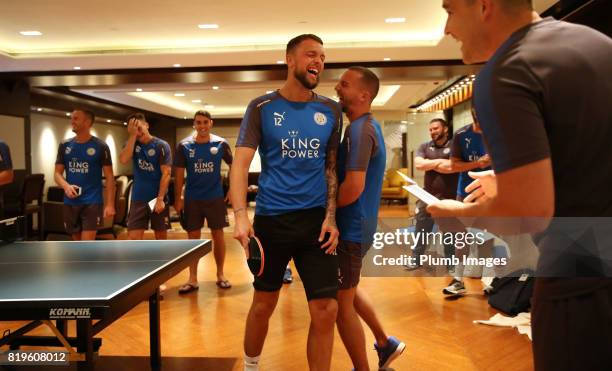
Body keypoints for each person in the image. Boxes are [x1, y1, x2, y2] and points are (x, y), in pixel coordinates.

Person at [430, 1, 612, 369]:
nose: (447, 29)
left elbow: (529, 212)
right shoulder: (596, 43)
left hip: (580, 278)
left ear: (484, 7)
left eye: (450, 11)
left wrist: (462, 213)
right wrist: (509, 179)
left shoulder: (506, 70)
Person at [230, 34, 341, 371]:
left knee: (326, 309)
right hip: (271, 221)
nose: (319, 62)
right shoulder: (261, 107)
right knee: (264, 303)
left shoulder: (330, 110)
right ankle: (251, 366)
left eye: (323, 57)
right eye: (311, 55)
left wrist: (331, 217)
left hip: (316, 222)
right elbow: (239, 164)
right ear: (289, 60)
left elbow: (331, 168)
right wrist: (239, 217)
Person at [334, 66, 405, 371]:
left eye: (344, 84)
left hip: (351, 228)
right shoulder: (363, 127)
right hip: (358, 226)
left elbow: (353, 186)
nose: (338, 86)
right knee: (348, 288)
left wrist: (325, 214)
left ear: (363, 95)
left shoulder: (361, 130)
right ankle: (385, 342)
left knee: (341, 306)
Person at [174, 110, 233, 292]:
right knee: (193, 239)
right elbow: (178, 175)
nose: (202, 126)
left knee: (218, 235)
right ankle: (192, 278)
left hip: (215, 197)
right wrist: (178, 198)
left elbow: (234, 165)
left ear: (211, 123)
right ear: (194, 124)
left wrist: (232, 188)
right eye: (198, 122)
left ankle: (221, 274)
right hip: (192, 199)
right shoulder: (184, 146)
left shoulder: (221, 143)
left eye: (205, 122)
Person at [443, 108, 491, 295]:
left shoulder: (501, 132)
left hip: (492, 193)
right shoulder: (461, 134)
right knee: (461, 237)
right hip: (466, 193)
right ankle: (458, 280)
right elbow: (454, 165)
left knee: (491, 238)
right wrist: (478, 163)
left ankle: (490, 282)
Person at [405, 118, 458, 271]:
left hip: (449, 198)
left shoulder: (455, 146)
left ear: (445, 129)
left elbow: (453, 167)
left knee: (449, 232)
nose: (433, 132)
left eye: (435, 128)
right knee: (421, 230)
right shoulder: (425, 146)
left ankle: (451, 264)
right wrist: (440, 163)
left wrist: (432, 163)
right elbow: (419, 164)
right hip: (427, 196)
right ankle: (415, 260)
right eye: (431, 130)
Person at [54, 109, 115, 241]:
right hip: (70, 202)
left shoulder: (101, 146)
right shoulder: (64, 145)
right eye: (72, 118)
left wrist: (110, 204)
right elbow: (57, 173)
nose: (72, 121)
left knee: (86, 246)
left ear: (87, 122)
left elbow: (110, 176)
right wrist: (66, 186)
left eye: (76, 118)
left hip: (92, 202)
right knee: (77, 245)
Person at [119, 113, 172, 240]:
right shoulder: (131, 143)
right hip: (138, 199)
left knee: (160, 237)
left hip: (157, 198)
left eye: (139, 127)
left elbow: (166, 173)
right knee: (134, 238)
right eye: (133, 129)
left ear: (146, 125)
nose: (137, 132)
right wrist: (132, 136)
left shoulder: (161, 145)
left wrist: (160, 199)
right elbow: (124, 159)